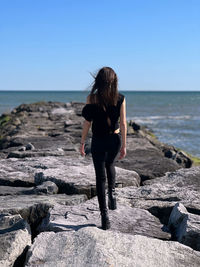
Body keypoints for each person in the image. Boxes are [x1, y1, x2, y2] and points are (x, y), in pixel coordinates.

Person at [80, 66, 127, 230]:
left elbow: (87, 122)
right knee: (110, 165)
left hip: (99, 141)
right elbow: (123, 123)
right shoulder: (120, 98)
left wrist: (82, 142)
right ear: (114, 81)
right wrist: (124, 146)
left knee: (100, 178)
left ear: (98, 81)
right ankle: (112, 194)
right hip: (115, 139)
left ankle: (104, 217)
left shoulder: (91, 99)